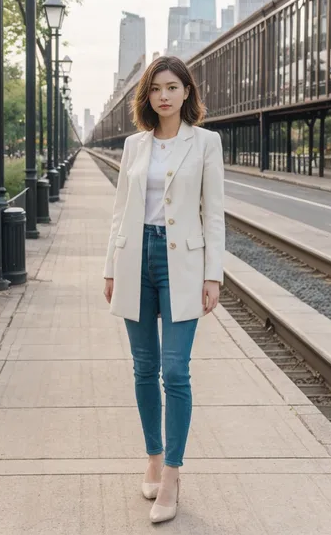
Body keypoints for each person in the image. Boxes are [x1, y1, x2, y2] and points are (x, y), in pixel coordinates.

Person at [103, 56, 225, 524]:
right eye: (156, 88)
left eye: (172, 87)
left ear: (187, 92)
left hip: (184, 265)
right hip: (137, 259)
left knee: (175, 371)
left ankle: (171, 477)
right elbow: (120, 210)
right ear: (147, 96)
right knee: (143, 368)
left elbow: (213, 213)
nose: (164, 96)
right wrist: (111, 267)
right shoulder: (135, 145)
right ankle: (152, 459)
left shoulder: (207, 143)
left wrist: (213, 275)